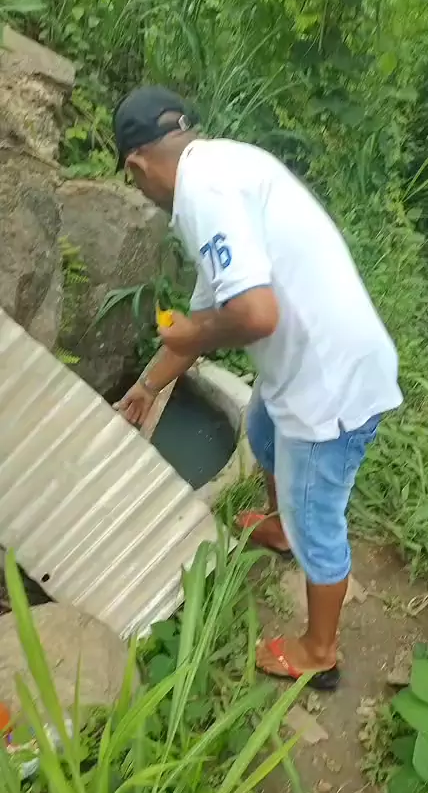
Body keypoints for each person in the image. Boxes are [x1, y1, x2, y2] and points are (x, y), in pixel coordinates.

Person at [113, 85, 403, 690]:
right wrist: (147, 386)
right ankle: (279, 525)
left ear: (137, 165)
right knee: (263, 431)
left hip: (329, 388)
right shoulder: (223, 166)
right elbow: (206, 317)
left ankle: (319, 651)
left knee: (317, 518)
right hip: (305, 364)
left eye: (131, 180)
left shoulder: (203, 195)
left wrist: (195, 330)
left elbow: (254, 315)